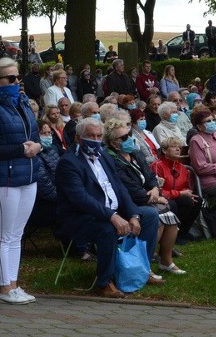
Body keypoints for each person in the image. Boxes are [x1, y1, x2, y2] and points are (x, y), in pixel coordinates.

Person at [55, 117, 162, 298]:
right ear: (78, 138)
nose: (95, 140)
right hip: (81, 218)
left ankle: (141, 270)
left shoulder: (104, 156)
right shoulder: (69, 162)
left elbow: (119, 188)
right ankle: (105, 282)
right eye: (90, 136)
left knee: (150, 215)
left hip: (111, 211)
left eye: (99, 136)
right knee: (107, 229)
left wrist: (133, 214)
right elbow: (80, 199)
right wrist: (112, 216)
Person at [0, 58, 42, 304]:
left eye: (18, 78)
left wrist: (36, 146)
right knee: (4, 236)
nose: (17, 82)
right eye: (11, 79)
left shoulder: (22, 102)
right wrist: (21, 149)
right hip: (4, 178)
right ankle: (4, 288)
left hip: (28, 174)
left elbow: (33, 134)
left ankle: (13, 285)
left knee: (16, 234)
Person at [103, 118, 185, 275]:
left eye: (129, 134)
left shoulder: (135, 153)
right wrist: (153, 198)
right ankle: (143, 264)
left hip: (149, 196)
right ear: (114, 143)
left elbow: (150, 175)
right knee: (157, 218)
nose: (129, 139)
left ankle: (165, 261)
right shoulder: (112, 159)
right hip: (129, 203)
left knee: (171, 217)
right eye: (124, 137)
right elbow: (128, 188)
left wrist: (154, 189)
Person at [152, 136, 200, 242]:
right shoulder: (157, 166)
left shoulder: (181, 167)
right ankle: (171, 234)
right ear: (164, 150)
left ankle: (183, 232)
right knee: (172, 204)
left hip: (176, 195)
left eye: (179, 147)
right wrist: (179, 193)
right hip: (162, 197)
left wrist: (188, 193)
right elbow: (158, 190)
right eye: (173, 147)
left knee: (197, 200)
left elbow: (186, 185)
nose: (178, 149)